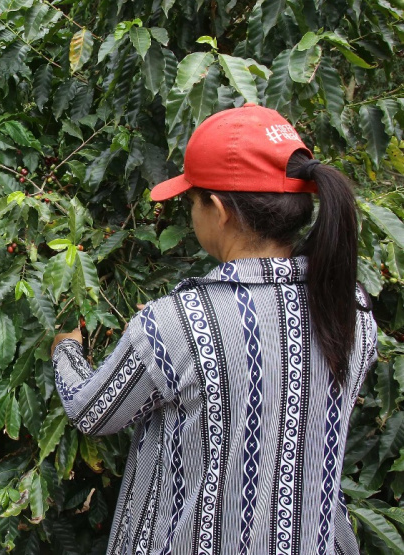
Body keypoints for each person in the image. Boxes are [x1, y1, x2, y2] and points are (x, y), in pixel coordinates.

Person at [51, 104, 375, 554]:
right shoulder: (352, 307)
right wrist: (164, 338)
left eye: (191, 201)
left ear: (218, 209)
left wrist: (65, 349)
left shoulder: (176, 322)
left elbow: (93, 412)